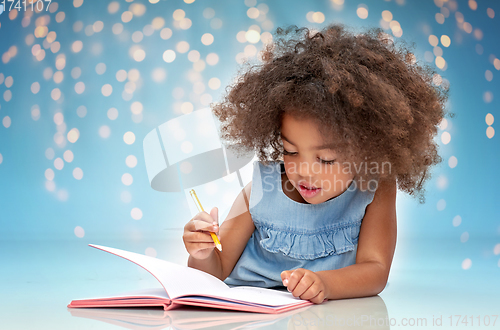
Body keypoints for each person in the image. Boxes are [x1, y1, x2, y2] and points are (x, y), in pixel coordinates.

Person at [183, 23, 451, 304]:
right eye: (290, 151)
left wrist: (324, 284)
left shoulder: (374, 189)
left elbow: (376, 270)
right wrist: (202, 254)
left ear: (367, 150)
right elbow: (217, 269)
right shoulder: (261, 190)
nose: (304, 171)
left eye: (325, 159)